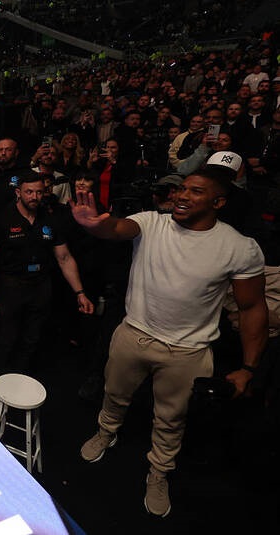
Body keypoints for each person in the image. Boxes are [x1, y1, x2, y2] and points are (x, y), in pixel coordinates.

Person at [71, 168, 268, 518]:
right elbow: (116, 228)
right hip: (134, 334)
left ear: (218, 202)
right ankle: (106, 431)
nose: (181, 195)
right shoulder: (151, 222)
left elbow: (252, 307)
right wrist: (93, 225)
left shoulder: (239, 247)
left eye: (195, 191)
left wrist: (248, 367)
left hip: (187, 352)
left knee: (171, 418)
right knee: (114, 394)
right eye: (181, 189)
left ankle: (159, 470)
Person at [0, 171, 94, 374]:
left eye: (39, 192)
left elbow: (64, 257)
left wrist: (80, 292)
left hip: (41, 285)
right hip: (11, 284)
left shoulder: (50, 219)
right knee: (7, 336)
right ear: (18, 192)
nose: (34, 197)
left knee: (32, 337)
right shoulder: (3, 218)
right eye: (29, 192)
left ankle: (21, 377)